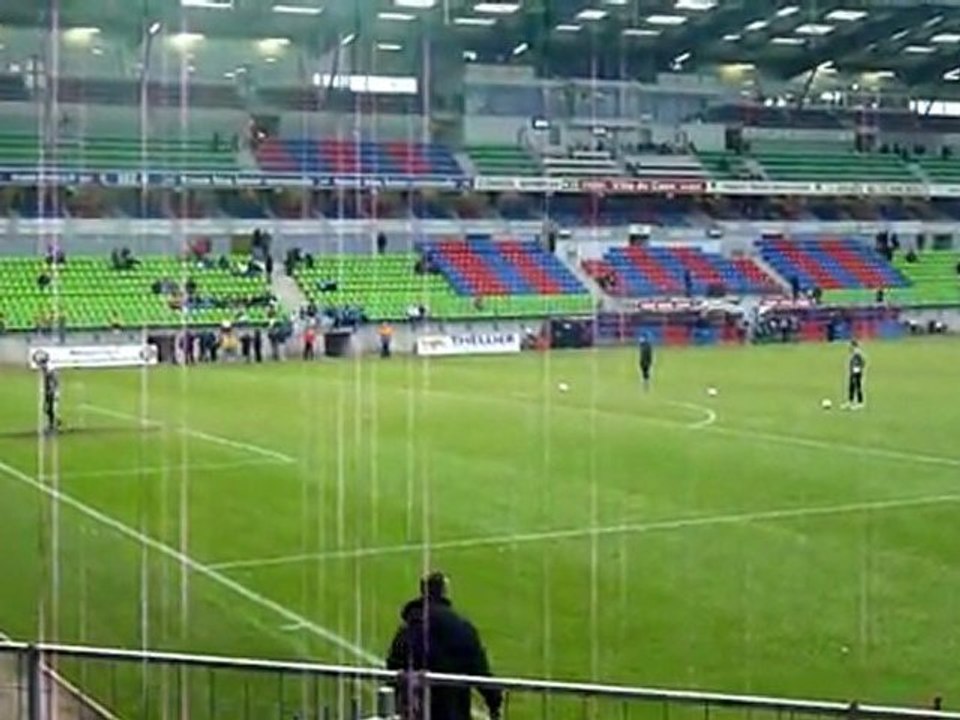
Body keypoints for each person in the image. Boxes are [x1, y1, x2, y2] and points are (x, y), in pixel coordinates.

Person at [386, 573, 501, 720]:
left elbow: (393, 667)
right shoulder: (462, 628)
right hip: (453, 712)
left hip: (417, 712)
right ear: (445, 592)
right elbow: (479, 670)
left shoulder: (409, 626)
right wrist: (494, 701)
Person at [40, 359, 62, 434]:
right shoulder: (46, 371)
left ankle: (56, 425)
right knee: (47, 409)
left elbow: (55, 383)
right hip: (48, 393)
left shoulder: (51, 371)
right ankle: (53, 424)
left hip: (54, 393)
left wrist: (52, 391)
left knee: (52, 409)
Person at [844, 340, 866, 410]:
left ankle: (860, 403)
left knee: (857, 386)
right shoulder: (854, 353)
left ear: (853, 346)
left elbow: (860, 363)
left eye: (850, 345)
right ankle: (850, 401)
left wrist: (855, 373)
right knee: (851, 387)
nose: (848, 347)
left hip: (856, 373)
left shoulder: (857, 353)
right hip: (853, 372)